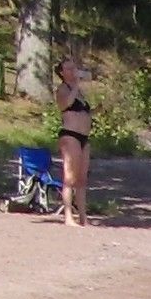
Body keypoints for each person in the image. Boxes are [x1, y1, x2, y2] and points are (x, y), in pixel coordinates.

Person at [54, 56, 93, 226]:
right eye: (68, 69)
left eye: (74, 68)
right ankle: (68, 216)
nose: (72, 71)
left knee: (82, 178)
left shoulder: (80, 93)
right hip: (70, 135)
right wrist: (76, 84)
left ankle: (83, 217)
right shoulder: (62, 89)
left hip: (84, 136)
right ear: (62, 73)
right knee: (70, 176)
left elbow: (83, 113)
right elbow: (65, 105)